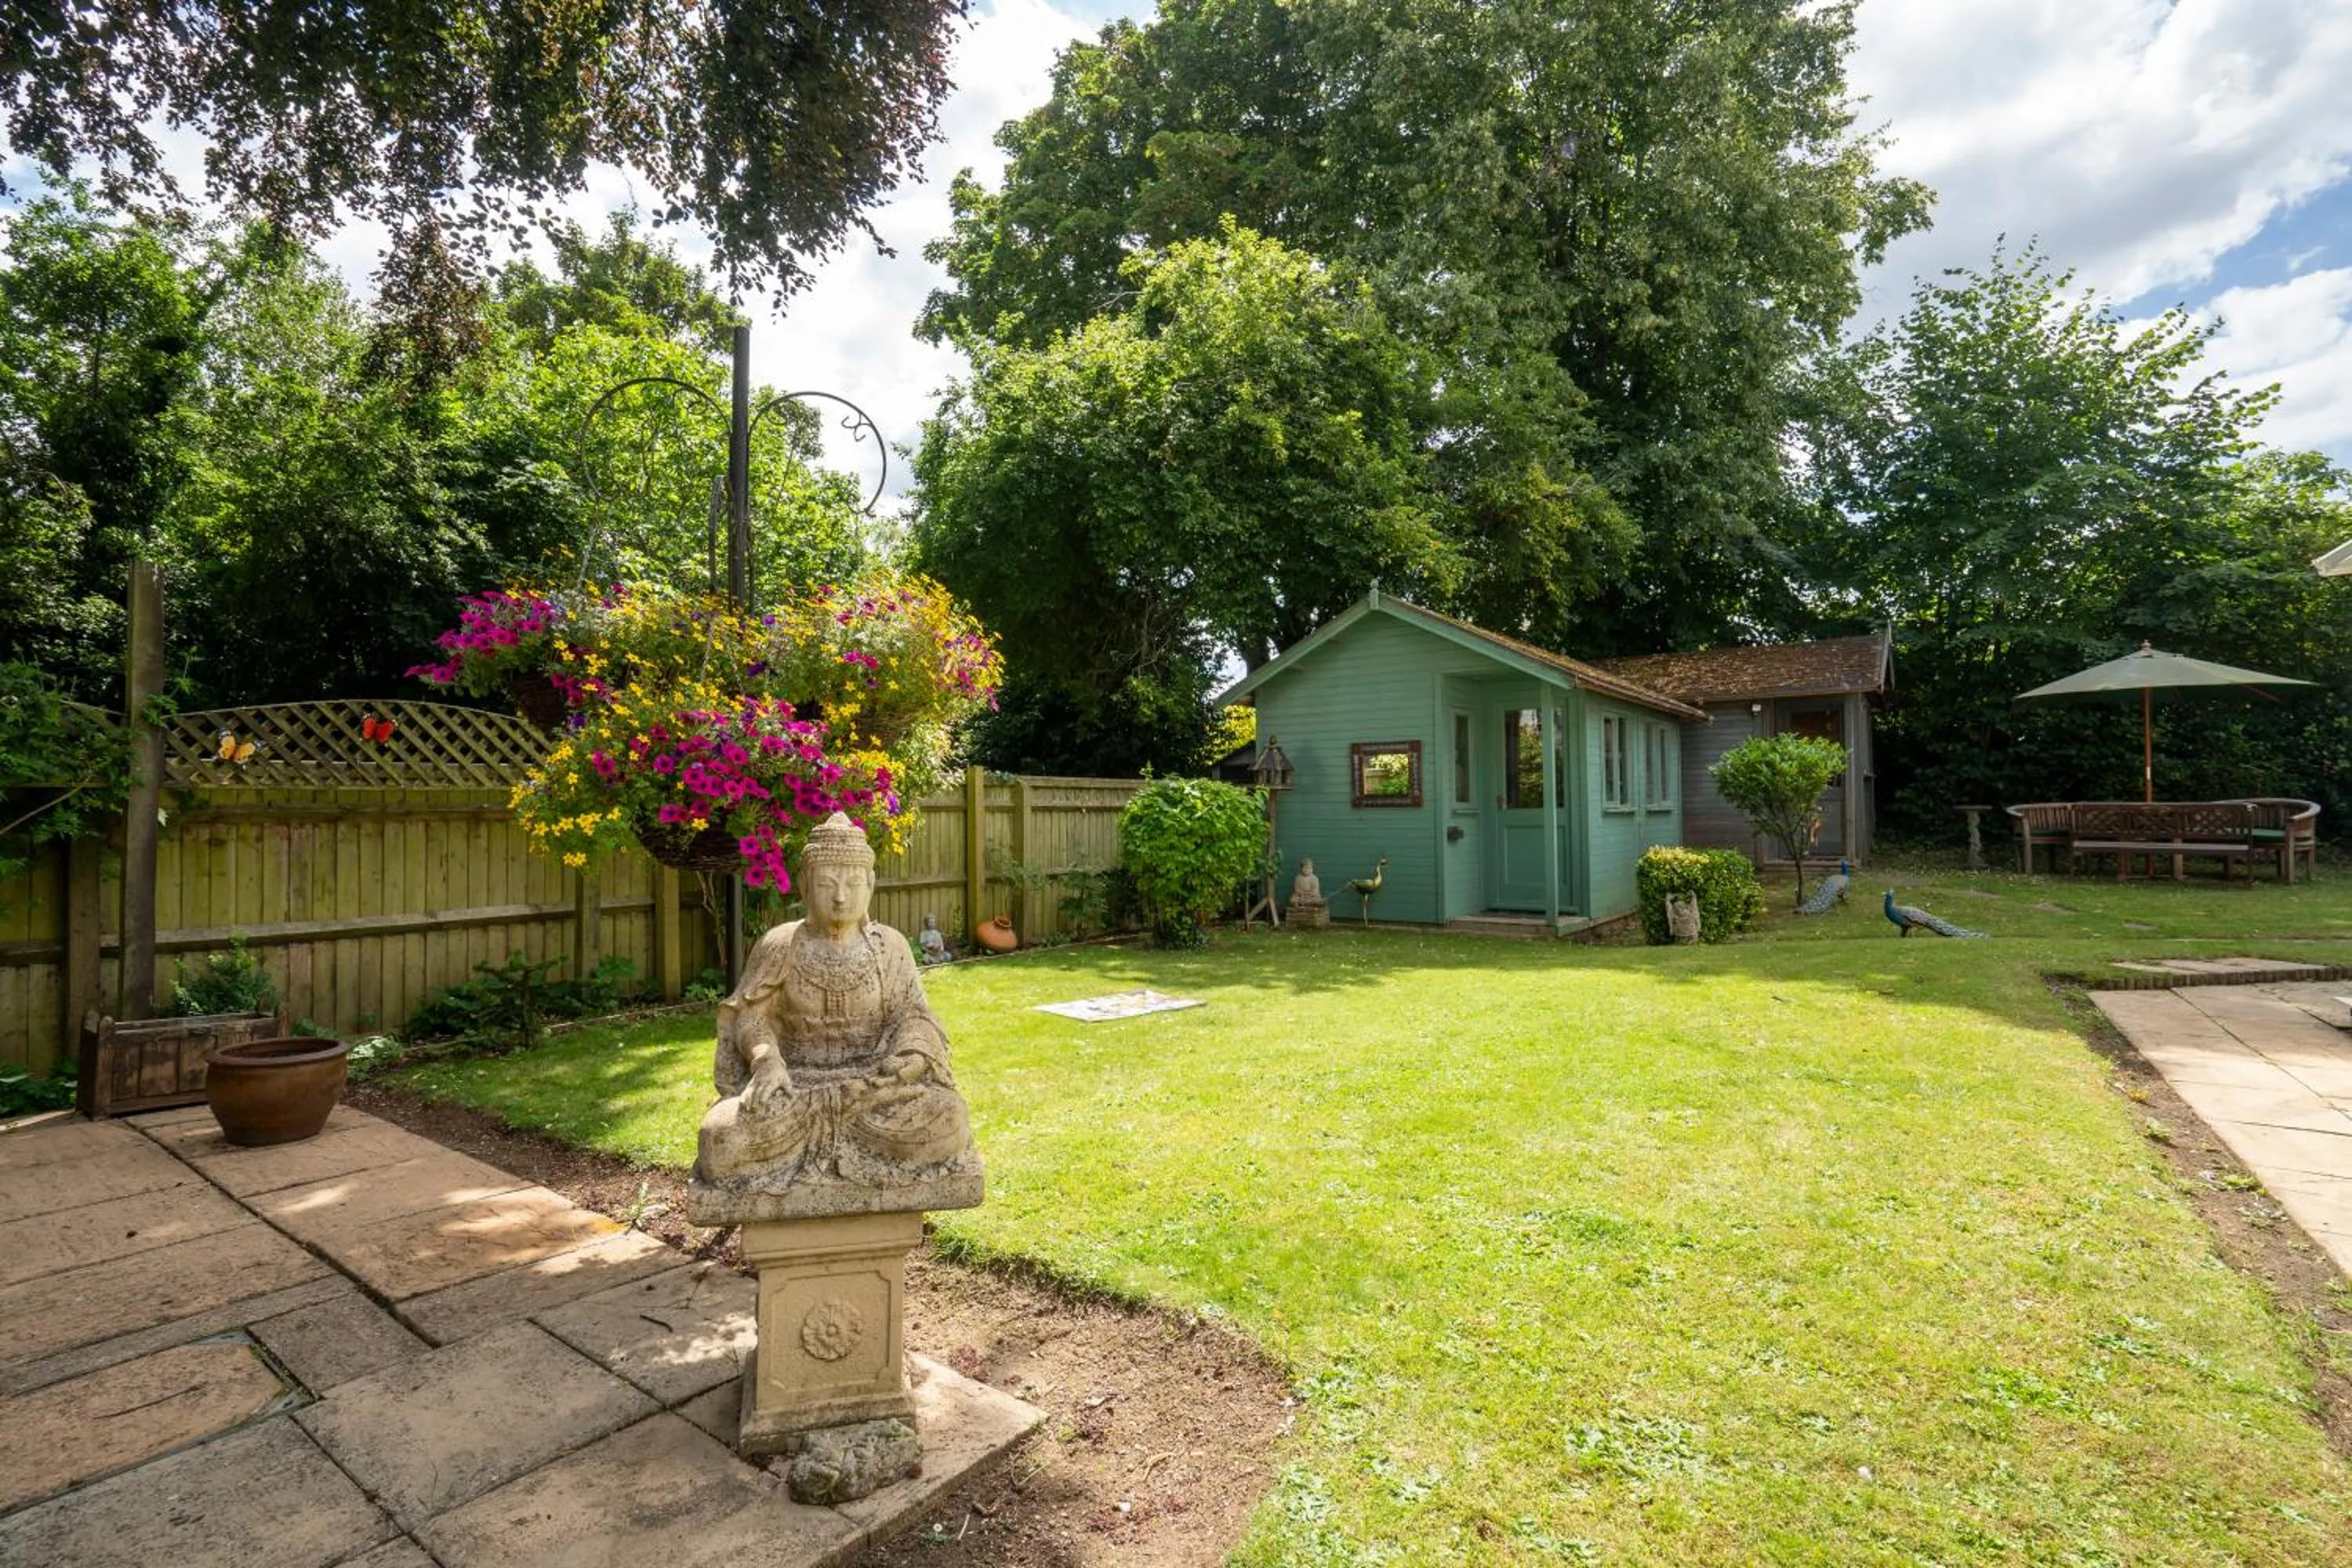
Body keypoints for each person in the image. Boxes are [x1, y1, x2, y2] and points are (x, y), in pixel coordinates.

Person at [695, 812, 972, 1189]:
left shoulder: (889, 946)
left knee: (949, 1119)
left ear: (871, 885)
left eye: (853, 883)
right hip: (795, 1090)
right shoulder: (782, 944)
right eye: (827, 884)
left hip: (872, 1091)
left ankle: (844, 1150)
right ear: (805, 886)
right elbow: (751, 1017)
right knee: (720, 1138)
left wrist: (912, 1058)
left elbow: (915, 1015)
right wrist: (767, 1062)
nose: (841, 897)